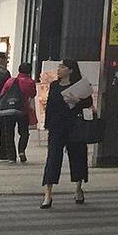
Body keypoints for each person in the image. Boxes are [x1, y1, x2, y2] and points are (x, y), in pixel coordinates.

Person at [41, 59, 93, 209]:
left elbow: (88, 102)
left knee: (78, 157)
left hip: (74, 125)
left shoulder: (80, 85)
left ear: (71, 70)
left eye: (62, 67)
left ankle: (78, 188)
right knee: (52, 158)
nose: (59, 69)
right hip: (57, 126)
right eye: (59, 67)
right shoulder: (54, 86)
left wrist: (78, 101)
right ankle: (48, 194)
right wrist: (47, 125)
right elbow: (50, 105)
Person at [0, 62, 38, 163]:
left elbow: (2, 93)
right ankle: (21, 151)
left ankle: (11, 156)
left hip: (9, 110)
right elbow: (33, 94)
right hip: (23, 110)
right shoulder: (30, 82)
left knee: (9, 133)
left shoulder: (10, 81)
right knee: (24, 133)